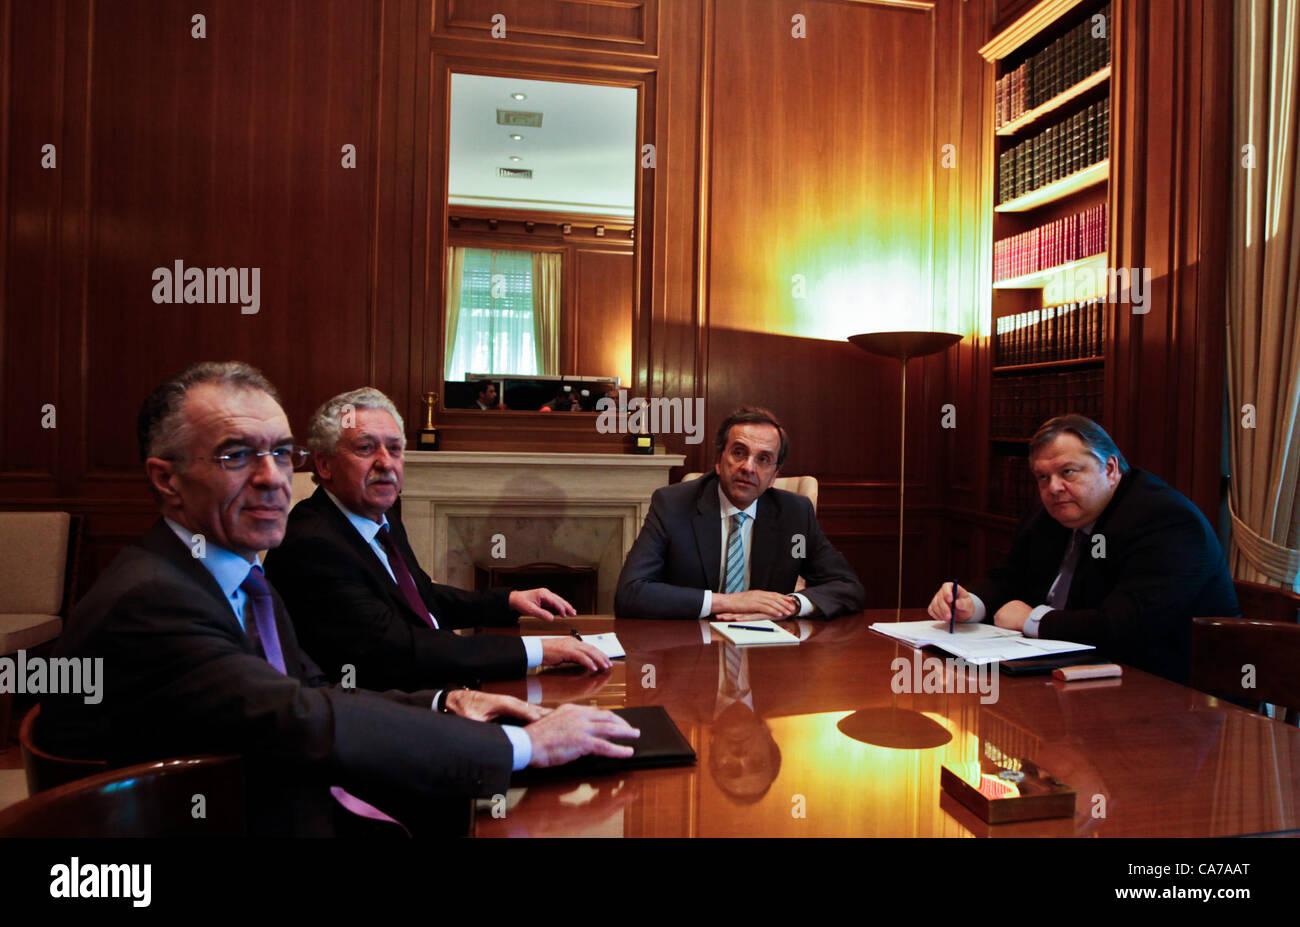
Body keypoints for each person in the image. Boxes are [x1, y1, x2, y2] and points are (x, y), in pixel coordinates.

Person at [41, 362, 637, 836]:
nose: (272, 477)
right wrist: (525, 744)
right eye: (236, 455)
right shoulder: (154, 598)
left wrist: (445, 701)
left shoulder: (235, 570)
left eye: (279, 452)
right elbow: (305, 718)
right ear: (165, 479)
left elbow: (313, 690)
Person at [264, 387, 608, 692]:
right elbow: (399, 648)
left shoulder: (379, 517)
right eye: (366, 448)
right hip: (386, 712)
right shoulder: (313, 544)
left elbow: (421, 597)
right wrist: (540, 650)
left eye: (395, 449)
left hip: (431, 685)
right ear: (324, 465)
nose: (386, 463)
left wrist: (509, 600)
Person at [926, 414, 1238, 684]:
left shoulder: (1165, 521)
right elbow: (1010, 576)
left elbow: (1125, 626)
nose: (1054, 488)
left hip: (1170, 696)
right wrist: (969, 603)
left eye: (1069, 472)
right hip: (1066, 676)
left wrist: (1031, 620)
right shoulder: (1051, 513)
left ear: (1111, 468)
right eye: (1043, 477)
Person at [614, 406, 866, 620]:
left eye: (764, 459)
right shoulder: (673, 505)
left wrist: (789, 605)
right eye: (739, 452)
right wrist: (728, 602)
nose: (748, 467)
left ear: (774, 475)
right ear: (719, 460)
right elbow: (631, 592)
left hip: (767, 651)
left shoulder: (795, 515)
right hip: (688, 647)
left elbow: (847, 587)